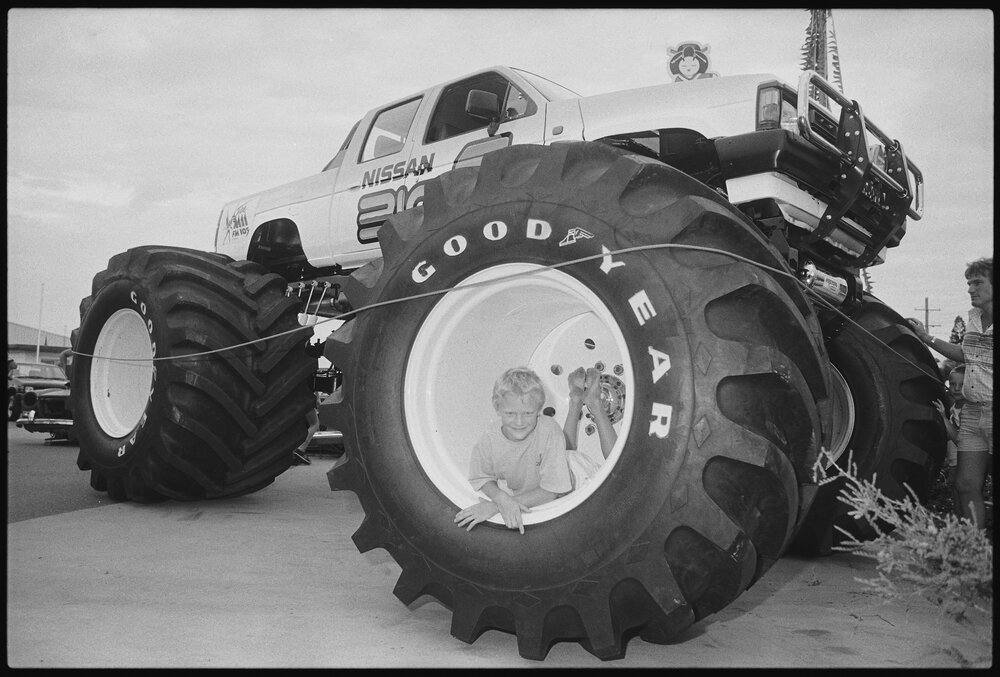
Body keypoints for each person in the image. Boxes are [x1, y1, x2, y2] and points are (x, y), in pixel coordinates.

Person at [910, 257, 993, 529]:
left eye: (978, 282)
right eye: (969, 283)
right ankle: (975, 552)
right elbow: (963, 354)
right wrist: (926, 338)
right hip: (971, 413)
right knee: (966, 484)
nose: (971, 289)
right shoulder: (973, 320)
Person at [454, 367, 572, 534]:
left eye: (528, 413)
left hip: (570, 477)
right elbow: (481, 477)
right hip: (525, 494)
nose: (519, 422)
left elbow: (553, 491)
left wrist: (496, 505)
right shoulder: (489, 437)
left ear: (539, 410)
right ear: (498, 410)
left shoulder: (550, 431)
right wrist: (501, 498)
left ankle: (576, 401)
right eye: (510, 413)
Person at [562, 367, 617, 488]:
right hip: (589, 488)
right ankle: (590, 402)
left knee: (563, 458)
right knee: (620, 467)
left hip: (567, 482)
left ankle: (578, 403)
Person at [932, 364, 965, 513]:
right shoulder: (954, 407)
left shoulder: (968, 410)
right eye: (952, 384)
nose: (956, 388)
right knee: (954, 484)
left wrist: (944, 417)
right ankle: (959, 517)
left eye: (962, 384)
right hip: (955, 455)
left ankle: (964, 519)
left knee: (961, 485)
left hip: (964, 455)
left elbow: (959, 439)